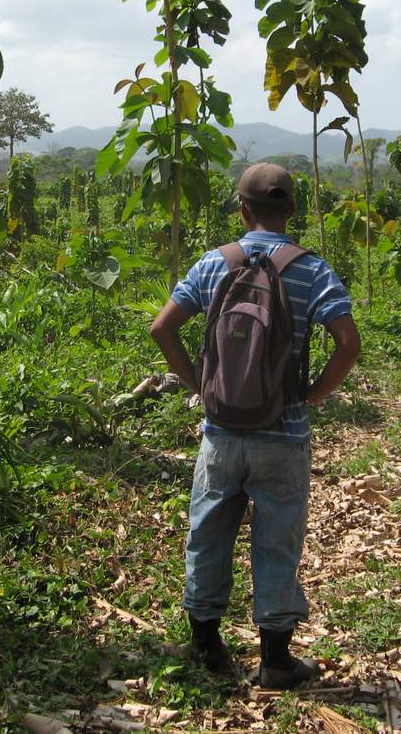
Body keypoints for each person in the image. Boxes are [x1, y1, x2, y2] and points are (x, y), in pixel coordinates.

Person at [150, 163, 360, 689]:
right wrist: (311, 396)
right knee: (277, 541)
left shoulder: (213, 264)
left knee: (208, 532)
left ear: (242, 210)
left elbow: (162, 327)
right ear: (291, 209)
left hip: (220, 431)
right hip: (283, 433)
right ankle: (276, 659)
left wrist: (200, 386)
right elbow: (348, 343)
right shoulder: (312, 270)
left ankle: (205, 645)